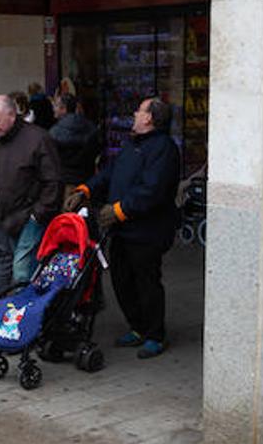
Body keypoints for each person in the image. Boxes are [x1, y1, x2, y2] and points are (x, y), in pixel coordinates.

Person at [66, 97, 180, 358]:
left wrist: (119, 211)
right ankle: (137, 327)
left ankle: (155, 334)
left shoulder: (164, 149)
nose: (135, 114)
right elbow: (110, 173)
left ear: (149, 118)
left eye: (139, 111)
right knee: (122, 281)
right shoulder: (133, 144)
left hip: (147, 231)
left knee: (146, 283)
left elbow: (152, 191)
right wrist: (85, 190)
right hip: (122, 230)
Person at [0, 94, 62, 297]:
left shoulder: (38, 138)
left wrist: (39, 214)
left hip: (30, 217)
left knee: (22, 271)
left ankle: (24, 317)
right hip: (2, 218)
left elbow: (53, 180)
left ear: (11, 114)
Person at [49, 93, 100, 190]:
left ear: (63, 109)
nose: (53, 109)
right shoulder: (91, 128)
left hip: (63, 181)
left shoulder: (54, 132)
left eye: (55, 105)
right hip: (87, 181)